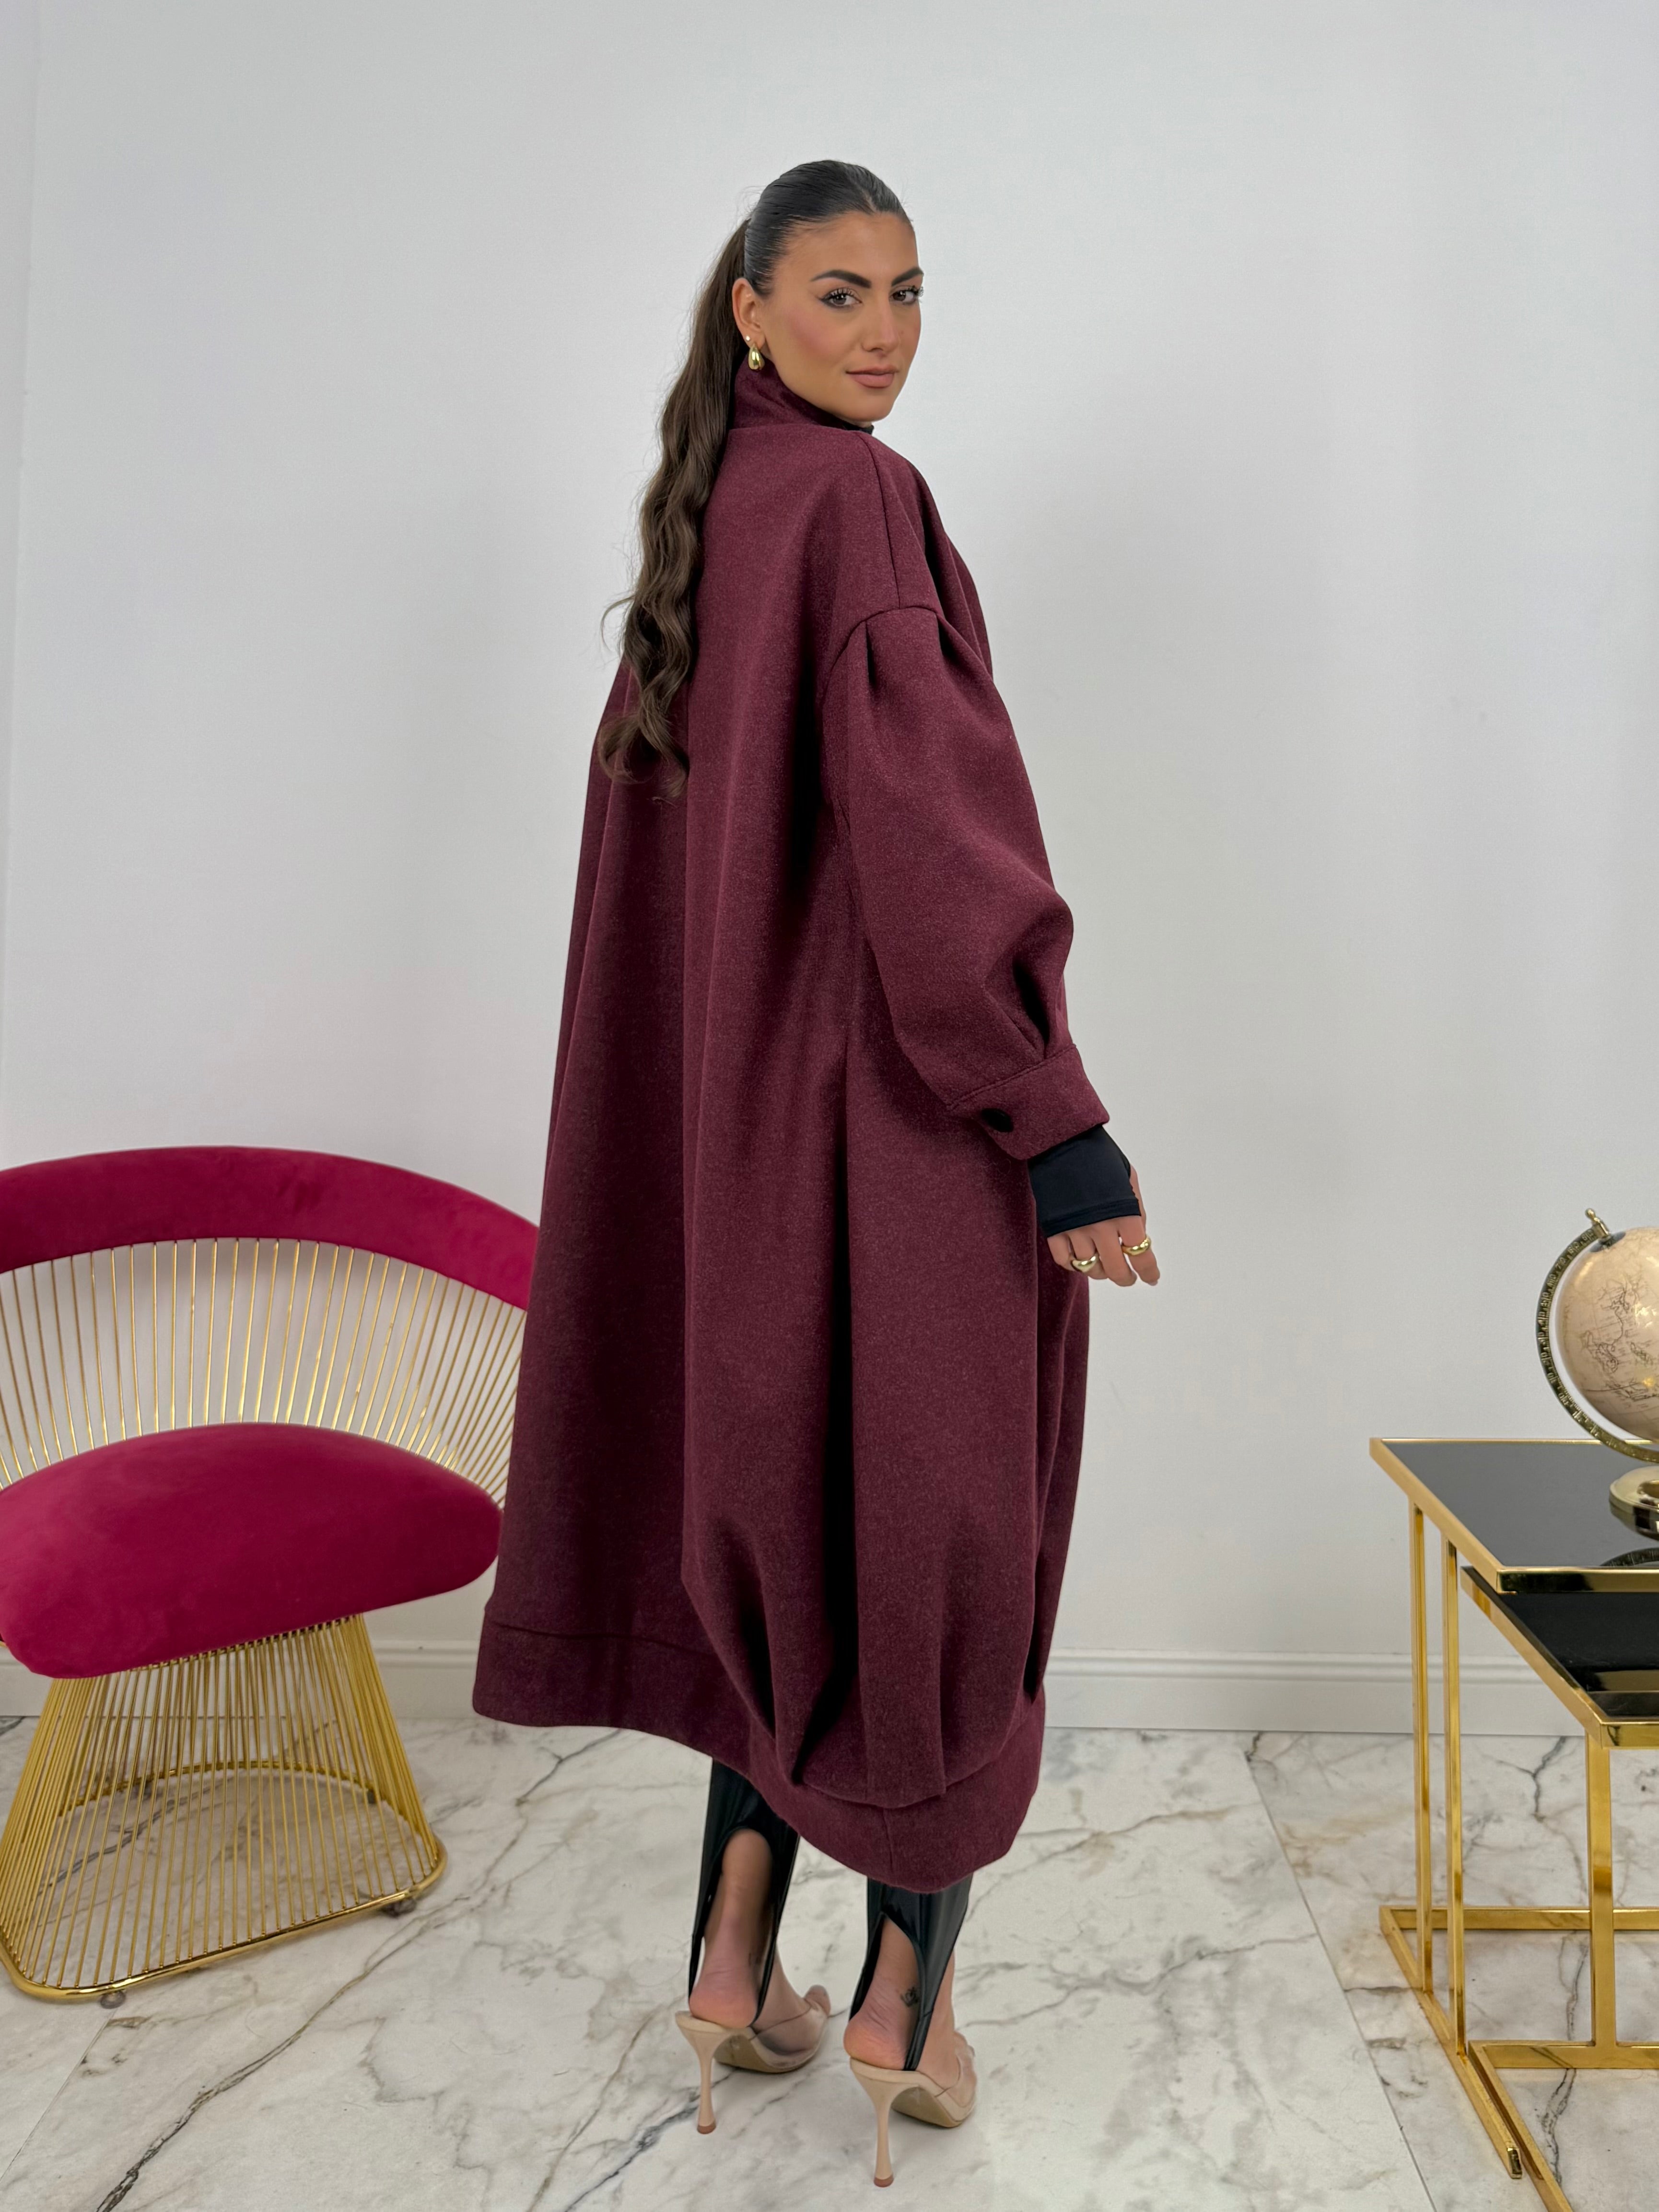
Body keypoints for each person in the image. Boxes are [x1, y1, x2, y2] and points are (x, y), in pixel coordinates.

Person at [472, 158, 1158, 2187]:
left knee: (772, 1528)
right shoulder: (861, 504)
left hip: (728, 1159)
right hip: (890, 1137)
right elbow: (935, 843)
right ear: (750, 308)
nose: (886, 332)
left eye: (911, 292)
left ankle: (727, 1962)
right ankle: (903, 2005)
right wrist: (1055, 1122)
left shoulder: (713, 520)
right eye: (842, 291)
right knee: (938, 1547)